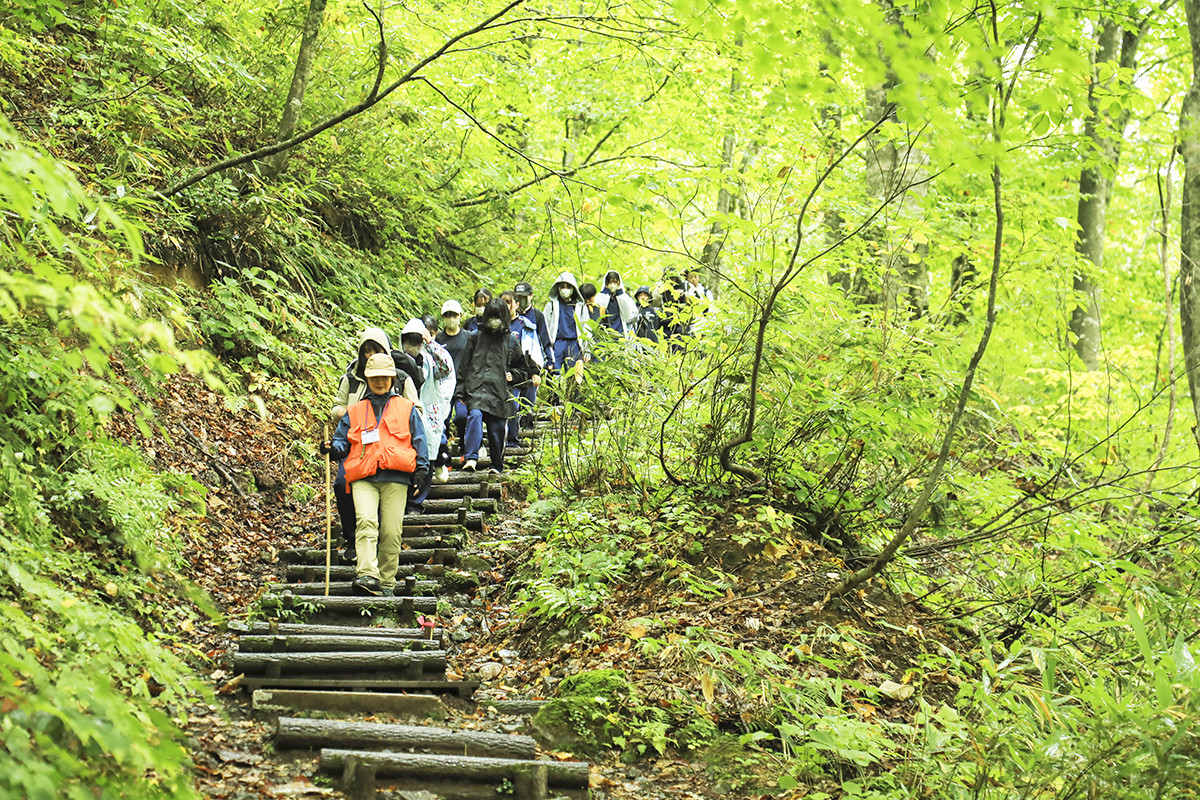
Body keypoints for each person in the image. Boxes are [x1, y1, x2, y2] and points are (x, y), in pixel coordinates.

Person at [324, 353, 428, 596]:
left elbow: (420, 440)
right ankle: (367, 575)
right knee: (366, 522)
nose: (380, 382)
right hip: (364, 477)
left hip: (397, 477)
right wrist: (331, 448)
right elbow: (342, 444)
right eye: (374, 378)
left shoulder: (407, 408)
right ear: (367, 379)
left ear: (392, 378)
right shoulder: (355, 410)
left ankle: (387, 583)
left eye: (384, 377)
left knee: (392, 531)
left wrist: (422, 471)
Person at [455, 298, 528, 473]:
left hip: (499, 394)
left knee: (497, 432)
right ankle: (471, 458)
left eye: (497, 317)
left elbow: (523, 370)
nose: (494, 321)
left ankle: (496, 465)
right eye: (491, 317)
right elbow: (463, 368)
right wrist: (460, 394)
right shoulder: (474, 338)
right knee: (474, 416)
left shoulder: (511, 341)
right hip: (477, 390)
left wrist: (513, 376)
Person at [399, 318, 455, 510]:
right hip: (404, 413)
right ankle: (405, 499)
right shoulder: (397, 360)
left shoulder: (431, 361)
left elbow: (446, 368)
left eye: (417, 341)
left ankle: (416, 502)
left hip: (428, 414)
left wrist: (430, 343)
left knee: (428, 456)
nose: (413, 346)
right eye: (410, 341)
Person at [435, 299, 474, 475]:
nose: (451, 318)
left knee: (462, 417)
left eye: (454, 315)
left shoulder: (468, 337)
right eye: (447, 315)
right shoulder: (438, 339)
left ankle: (465, 448)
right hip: (442, 386)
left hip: (462, 386)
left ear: (460, 316)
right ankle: (445, 457)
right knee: (441, 421)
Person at [501, 290, 544, 449]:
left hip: (522, 371)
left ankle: (514, 440)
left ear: (516, 305)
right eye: (503, 302)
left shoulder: (525, 326)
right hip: (502, 371)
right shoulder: (496, 325)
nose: (506, 306)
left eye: (509, 302)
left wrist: (535, 372)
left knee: (518, 404)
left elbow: (532, 350)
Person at [543, 273, 590, 370]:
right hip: (557, 343)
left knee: (574, 375)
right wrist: (545, 349)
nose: (565, 289)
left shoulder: (580, 307)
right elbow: (544, 327)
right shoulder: (552, 305)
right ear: (558, 288)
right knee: (553, 373)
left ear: (573, 289)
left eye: (568, 287)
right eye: (562, 287)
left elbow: (587, 327)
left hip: (575, 343)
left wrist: (587, 350)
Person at [597, 270, 638, 337]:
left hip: (620, 331)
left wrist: (619, 293)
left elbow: (628, 315)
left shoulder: (625, 297)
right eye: (610, 282)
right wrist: (606, 291)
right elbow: (599, 309)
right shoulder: (600, 296)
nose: (613, 285)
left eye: (615, 282)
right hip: (606, 331)